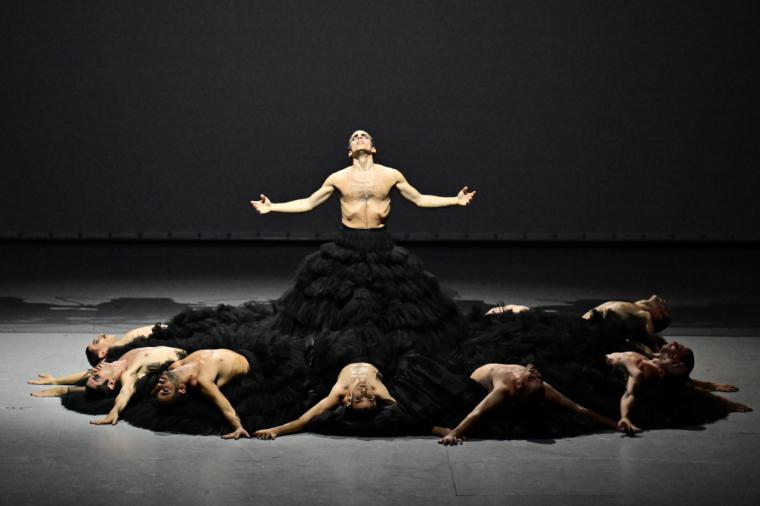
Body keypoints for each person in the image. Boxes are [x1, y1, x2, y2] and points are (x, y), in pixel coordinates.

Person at [251, 130, 475, 227]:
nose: (359, 138)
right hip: (349, 242)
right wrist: (273, 207)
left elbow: (420, 199)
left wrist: (454, 200)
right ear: (349, 151)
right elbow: (309, 203)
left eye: (364, 136)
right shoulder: (338, 178)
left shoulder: (390, 174)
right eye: (354, 137)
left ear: (373, 148)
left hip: (379, 242)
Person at [437, 363, 620, 445]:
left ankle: (439, 428)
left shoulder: (505, 388)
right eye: (535, 375)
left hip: (474, 389)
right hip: (478, 378)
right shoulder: (526, 383)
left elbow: (579, 409)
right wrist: (617, 424)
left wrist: (453, 434)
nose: (534, 371)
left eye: (533, 376)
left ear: (518, 385)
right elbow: (581, 409)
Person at [606, 341, 751, 433]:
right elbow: (686, 384)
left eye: (676, 363)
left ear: (663, 372)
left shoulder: (640, 370)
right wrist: (713, 390)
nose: (674, 358)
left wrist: (625, 416)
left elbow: (629, 393)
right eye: (675, 361)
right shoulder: (650, 358)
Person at [29, 346, 185, 426]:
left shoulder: (118, 364)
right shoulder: (128, 373)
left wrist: (56, 382)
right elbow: (126, 390)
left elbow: (89, 374)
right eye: (96, 377)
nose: (95, 370)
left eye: (93, 375)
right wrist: (114, 412)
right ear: (111, 382)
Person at [254, 362, 398, 440]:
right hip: (376, 359)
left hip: (337, 360)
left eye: (359, 398)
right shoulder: (379, 392)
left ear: (348, 401)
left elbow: (303, 420)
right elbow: (402, 409)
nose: (365, 391)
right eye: (370, 398)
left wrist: (275, 430)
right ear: (376, 399)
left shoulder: (339, 392)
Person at [153, 349, 252, 440]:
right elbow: (226, 408)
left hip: (227, 352)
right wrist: (238, 427)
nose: (159, 384)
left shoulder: (174, 366)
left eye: (158, 388)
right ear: (182, 389)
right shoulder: (202, 380)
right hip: (244, 363)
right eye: (165, 390)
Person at [582, 294, 670, 337]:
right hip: (579, 327)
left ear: (659, 315)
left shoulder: (645, 316)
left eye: (665, 307)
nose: (663, 301)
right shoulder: (631, 306)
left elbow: (647, 337)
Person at [86, 324, 167, 366]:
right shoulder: (128, 355)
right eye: (96, 342)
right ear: (102, 353)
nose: (101, 334)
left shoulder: (125, 344)